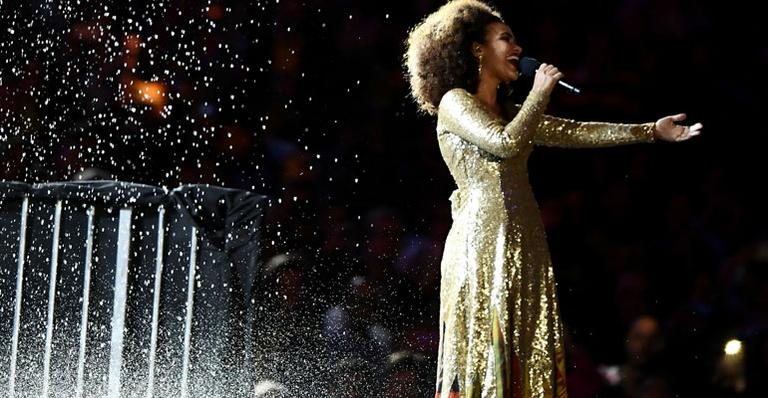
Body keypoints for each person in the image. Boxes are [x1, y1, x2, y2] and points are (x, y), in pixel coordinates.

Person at [402, 0, 702, 396]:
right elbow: (504, 144)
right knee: (489, 349)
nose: (518, 48)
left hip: (526, 241)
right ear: (477, 49)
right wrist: (539, 92)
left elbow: (573, 131)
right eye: (505, 39)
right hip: (482, 243)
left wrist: (649, 131)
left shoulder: (508, 109)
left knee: (528, 349)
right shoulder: (456, 102)